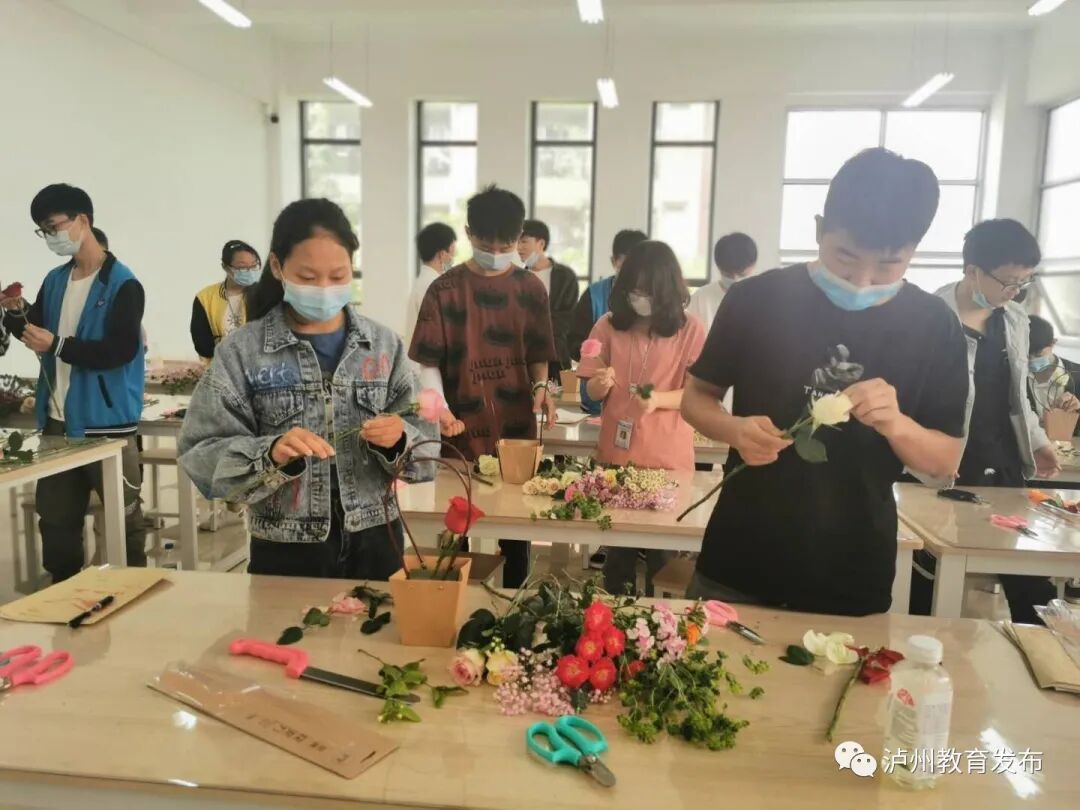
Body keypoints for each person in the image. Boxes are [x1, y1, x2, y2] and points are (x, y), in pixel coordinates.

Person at [681, 148, 969, 616]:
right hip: (738, 559)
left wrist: (896, 424)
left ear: (914, 251)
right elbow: (696, 397)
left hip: (851, 572)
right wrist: (733, 429)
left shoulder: (935, 326)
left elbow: (944, 461)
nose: (862, 279)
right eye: (845, 257)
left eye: (888, 265)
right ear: (819, 230)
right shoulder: (756, 299)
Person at [179, 199, 435, 579]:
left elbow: (428, 449)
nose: (325, 289)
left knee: (379, 620)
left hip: (378, 538)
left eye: (338, 275)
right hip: (285, 546)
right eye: (309, 278)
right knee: (287, 621)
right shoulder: (243, 352)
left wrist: (400, 440)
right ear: (277, 267)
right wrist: (269, 454)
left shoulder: (384, 347)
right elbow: (199, 451)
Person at [908, 220, 1059, 624]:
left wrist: (1038, 441)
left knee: (1022, 564)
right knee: (928, 568)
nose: (1015, 292)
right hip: (945, 459)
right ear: (973, 270)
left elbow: (1018, 393)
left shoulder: (1014, 319)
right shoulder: (928, 318)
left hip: (1001, 458)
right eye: (1008, 282)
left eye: (1023, 282)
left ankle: (1042, 647)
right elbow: (911, 400)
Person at [410, 185, 558, 587]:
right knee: (456, 525)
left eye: (505, 245)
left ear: (519, 237)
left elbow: (538, 354)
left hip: (516, 429)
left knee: (517, 525)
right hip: (459, 426)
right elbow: (428, 361)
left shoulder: (530, 289)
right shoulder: (444, 290)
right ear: (468, 234)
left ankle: (514, 601)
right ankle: (454, 602)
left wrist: (541, 388)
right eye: (485, 243)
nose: (495, 252)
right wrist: (440, 410)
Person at [1, 183, 147, 582]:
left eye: (53, 226)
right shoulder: (55, 280)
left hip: (107, 424)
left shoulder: (123, 284)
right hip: (58, 422)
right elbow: (38, 332)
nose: (50, 237)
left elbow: (119, 350)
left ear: (82, 220)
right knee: (56, 521)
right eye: (43, 231)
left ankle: (133, 589)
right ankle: (63, 594)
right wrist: (15, 314)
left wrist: (58, 344)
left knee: (124, 518)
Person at [577, 240, 705, 596]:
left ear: (667, 290)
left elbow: (697, 395)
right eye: (634, 292)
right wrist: (599, 385)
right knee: (617, 551)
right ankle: (614, 618)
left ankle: (658, 622)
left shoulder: (691, 330)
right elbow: (589, 391)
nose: (640, 299)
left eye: (648, 292)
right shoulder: (607, 325)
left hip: (668, 460)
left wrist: (658, 400)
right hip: (616, 458)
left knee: (663, 556)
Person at [568, 230, 649, 409]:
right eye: (627, 262)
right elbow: (574, 341)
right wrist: (600, 362)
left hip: (644, 401)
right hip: (597, 400)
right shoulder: (594, 295)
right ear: (614, 261)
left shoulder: (656, 301)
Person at [517, 219, 580, 378]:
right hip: (523, 358)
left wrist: (535, 327)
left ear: (541, 243)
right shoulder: (517, 278)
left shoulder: (565, 277)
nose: (519, 247)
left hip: (556, 357)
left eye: (524, 241)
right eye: (517, 242)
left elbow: (567, 317)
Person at [190, 240, 261, 362]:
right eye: (242, 267)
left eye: (254, 266)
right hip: (220, 369)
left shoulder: (265, 295)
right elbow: (203, 346)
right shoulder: (205, 298)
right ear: (225, 267)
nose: (250, 271)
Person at [687, 232, 758, 333]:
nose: (735, 279)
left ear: (753, 265)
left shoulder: (764, 300)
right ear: (718, 267)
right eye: (728, 275)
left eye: (742, 274)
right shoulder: (700, 299)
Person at [405, 222, 456, 349]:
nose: (453, 257)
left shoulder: (428, 283)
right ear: (442, 255)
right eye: (452, 252)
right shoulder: (431, 287)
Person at [1027, 315, 1080, 427]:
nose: (1032, 361)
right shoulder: (1016, 378)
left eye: (1038, 355)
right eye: (1027, 356)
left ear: (1053, 343)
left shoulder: (1077, 374)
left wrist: (1078, 407)